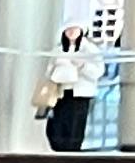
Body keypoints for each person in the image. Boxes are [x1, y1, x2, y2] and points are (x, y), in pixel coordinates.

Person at [35, 22, 97, 152]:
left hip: (80, 94)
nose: (72, 32)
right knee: (58, 126)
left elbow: (98, 72)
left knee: (75, 127)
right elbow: (49, 70)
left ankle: (72, 153)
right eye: (69, 29)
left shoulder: (90, 50)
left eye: (75, 29)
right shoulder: (58, 50)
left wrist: (82, 66)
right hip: (60, 93)